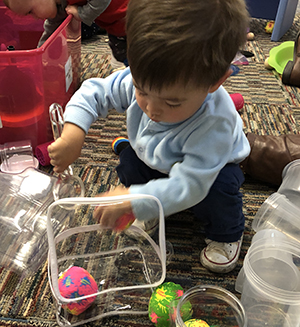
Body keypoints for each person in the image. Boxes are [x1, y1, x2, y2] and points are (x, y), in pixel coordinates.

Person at [47, 0, 251, 273]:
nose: (152, 109)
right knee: (130, 163)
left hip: (210, 171)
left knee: (219, 193)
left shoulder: (216, 123)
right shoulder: (144, 76)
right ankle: (152, 204)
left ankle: (228, 233)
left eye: (173, 102)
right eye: (140, 90)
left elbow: (190, 185)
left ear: (215, 82)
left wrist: (134, 199)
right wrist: (74, 132)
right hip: (155, 152)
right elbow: (94, 92)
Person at [3, 0, 128, 67]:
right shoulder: (60, 5)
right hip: (116, 28)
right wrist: (38, 57)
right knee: (123, 57)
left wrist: (82, 13)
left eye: (31, 11)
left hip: (133, 18)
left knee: (138, 65)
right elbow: (51, 30)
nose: (34, 18)